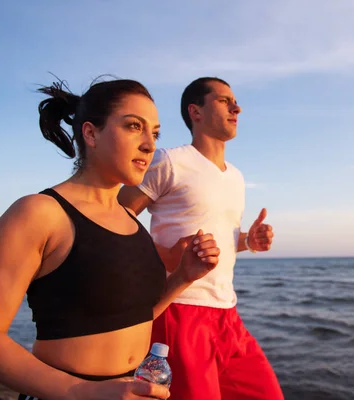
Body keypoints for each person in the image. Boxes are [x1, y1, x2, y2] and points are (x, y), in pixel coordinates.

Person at [0, 77, 221, 400]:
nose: (149, 144)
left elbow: (129, 317)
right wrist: (85, 392)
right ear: (91, 133)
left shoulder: (130, 221)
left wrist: (183, 277)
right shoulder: (39, 214)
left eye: (154, 133)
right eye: (133, 126)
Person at [118, 77, 284, 400]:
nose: (236, 107)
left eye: (235, 101)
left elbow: (219, 240)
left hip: (228, 315)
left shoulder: (236, 177)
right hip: (179, 312)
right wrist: (165, 255)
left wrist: (249, 241)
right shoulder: (169, 161)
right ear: (195, 111)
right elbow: (112, 218)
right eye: (224, 101)